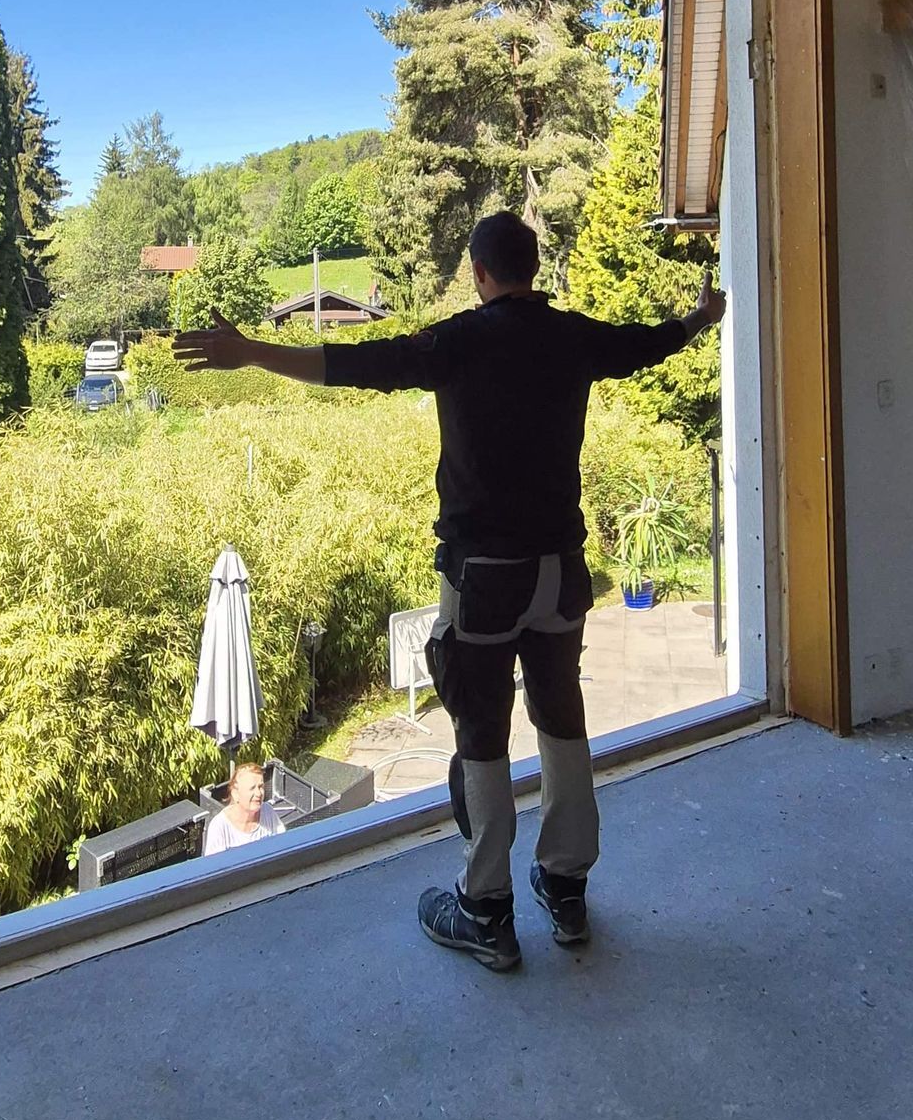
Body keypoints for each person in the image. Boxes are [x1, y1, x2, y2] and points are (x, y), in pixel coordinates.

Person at [176, 210, 724, 970]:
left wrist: (250, 353)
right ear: (531, 269)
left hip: (484, 578)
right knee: (562, 720)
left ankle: (486, 907)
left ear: (479, 273)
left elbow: (350, 364)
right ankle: (565, 886)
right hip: (561, 571)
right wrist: (701, 317)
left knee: (481, 735)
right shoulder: (573, 337)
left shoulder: (458, 343)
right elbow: (647, 341)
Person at [202, 759, 287, 855]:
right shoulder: (219, 826)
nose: (258, 793)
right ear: (235, 794)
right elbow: (215, 866)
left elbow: (283, 845)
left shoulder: (267, 812)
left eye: (260, 787)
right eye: (252, 788)